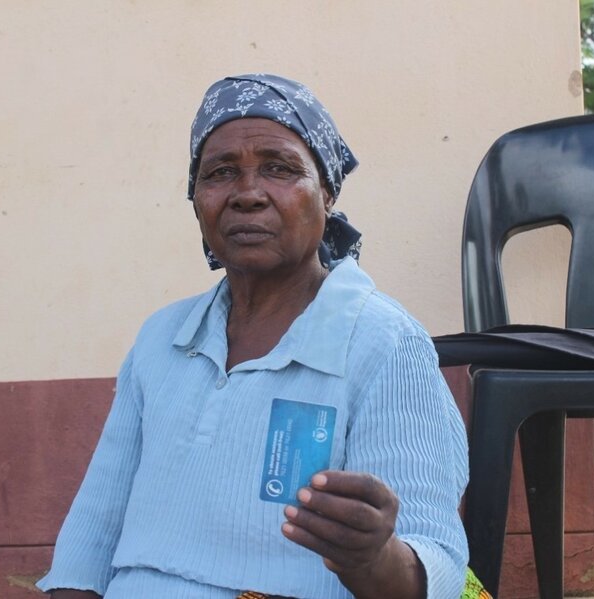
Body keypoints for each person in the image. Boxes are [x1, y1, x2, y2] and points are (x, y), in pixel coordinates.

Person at [37, 74, 470, 599]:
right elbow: (93, 529)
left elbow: (435, 572)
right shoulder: (162, 339)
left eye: (279, 168)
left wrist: (372, 558)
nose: (247, 194)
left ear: (327, 193)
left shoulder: (383, 343)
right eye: (220, 173)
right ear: (196, 200)